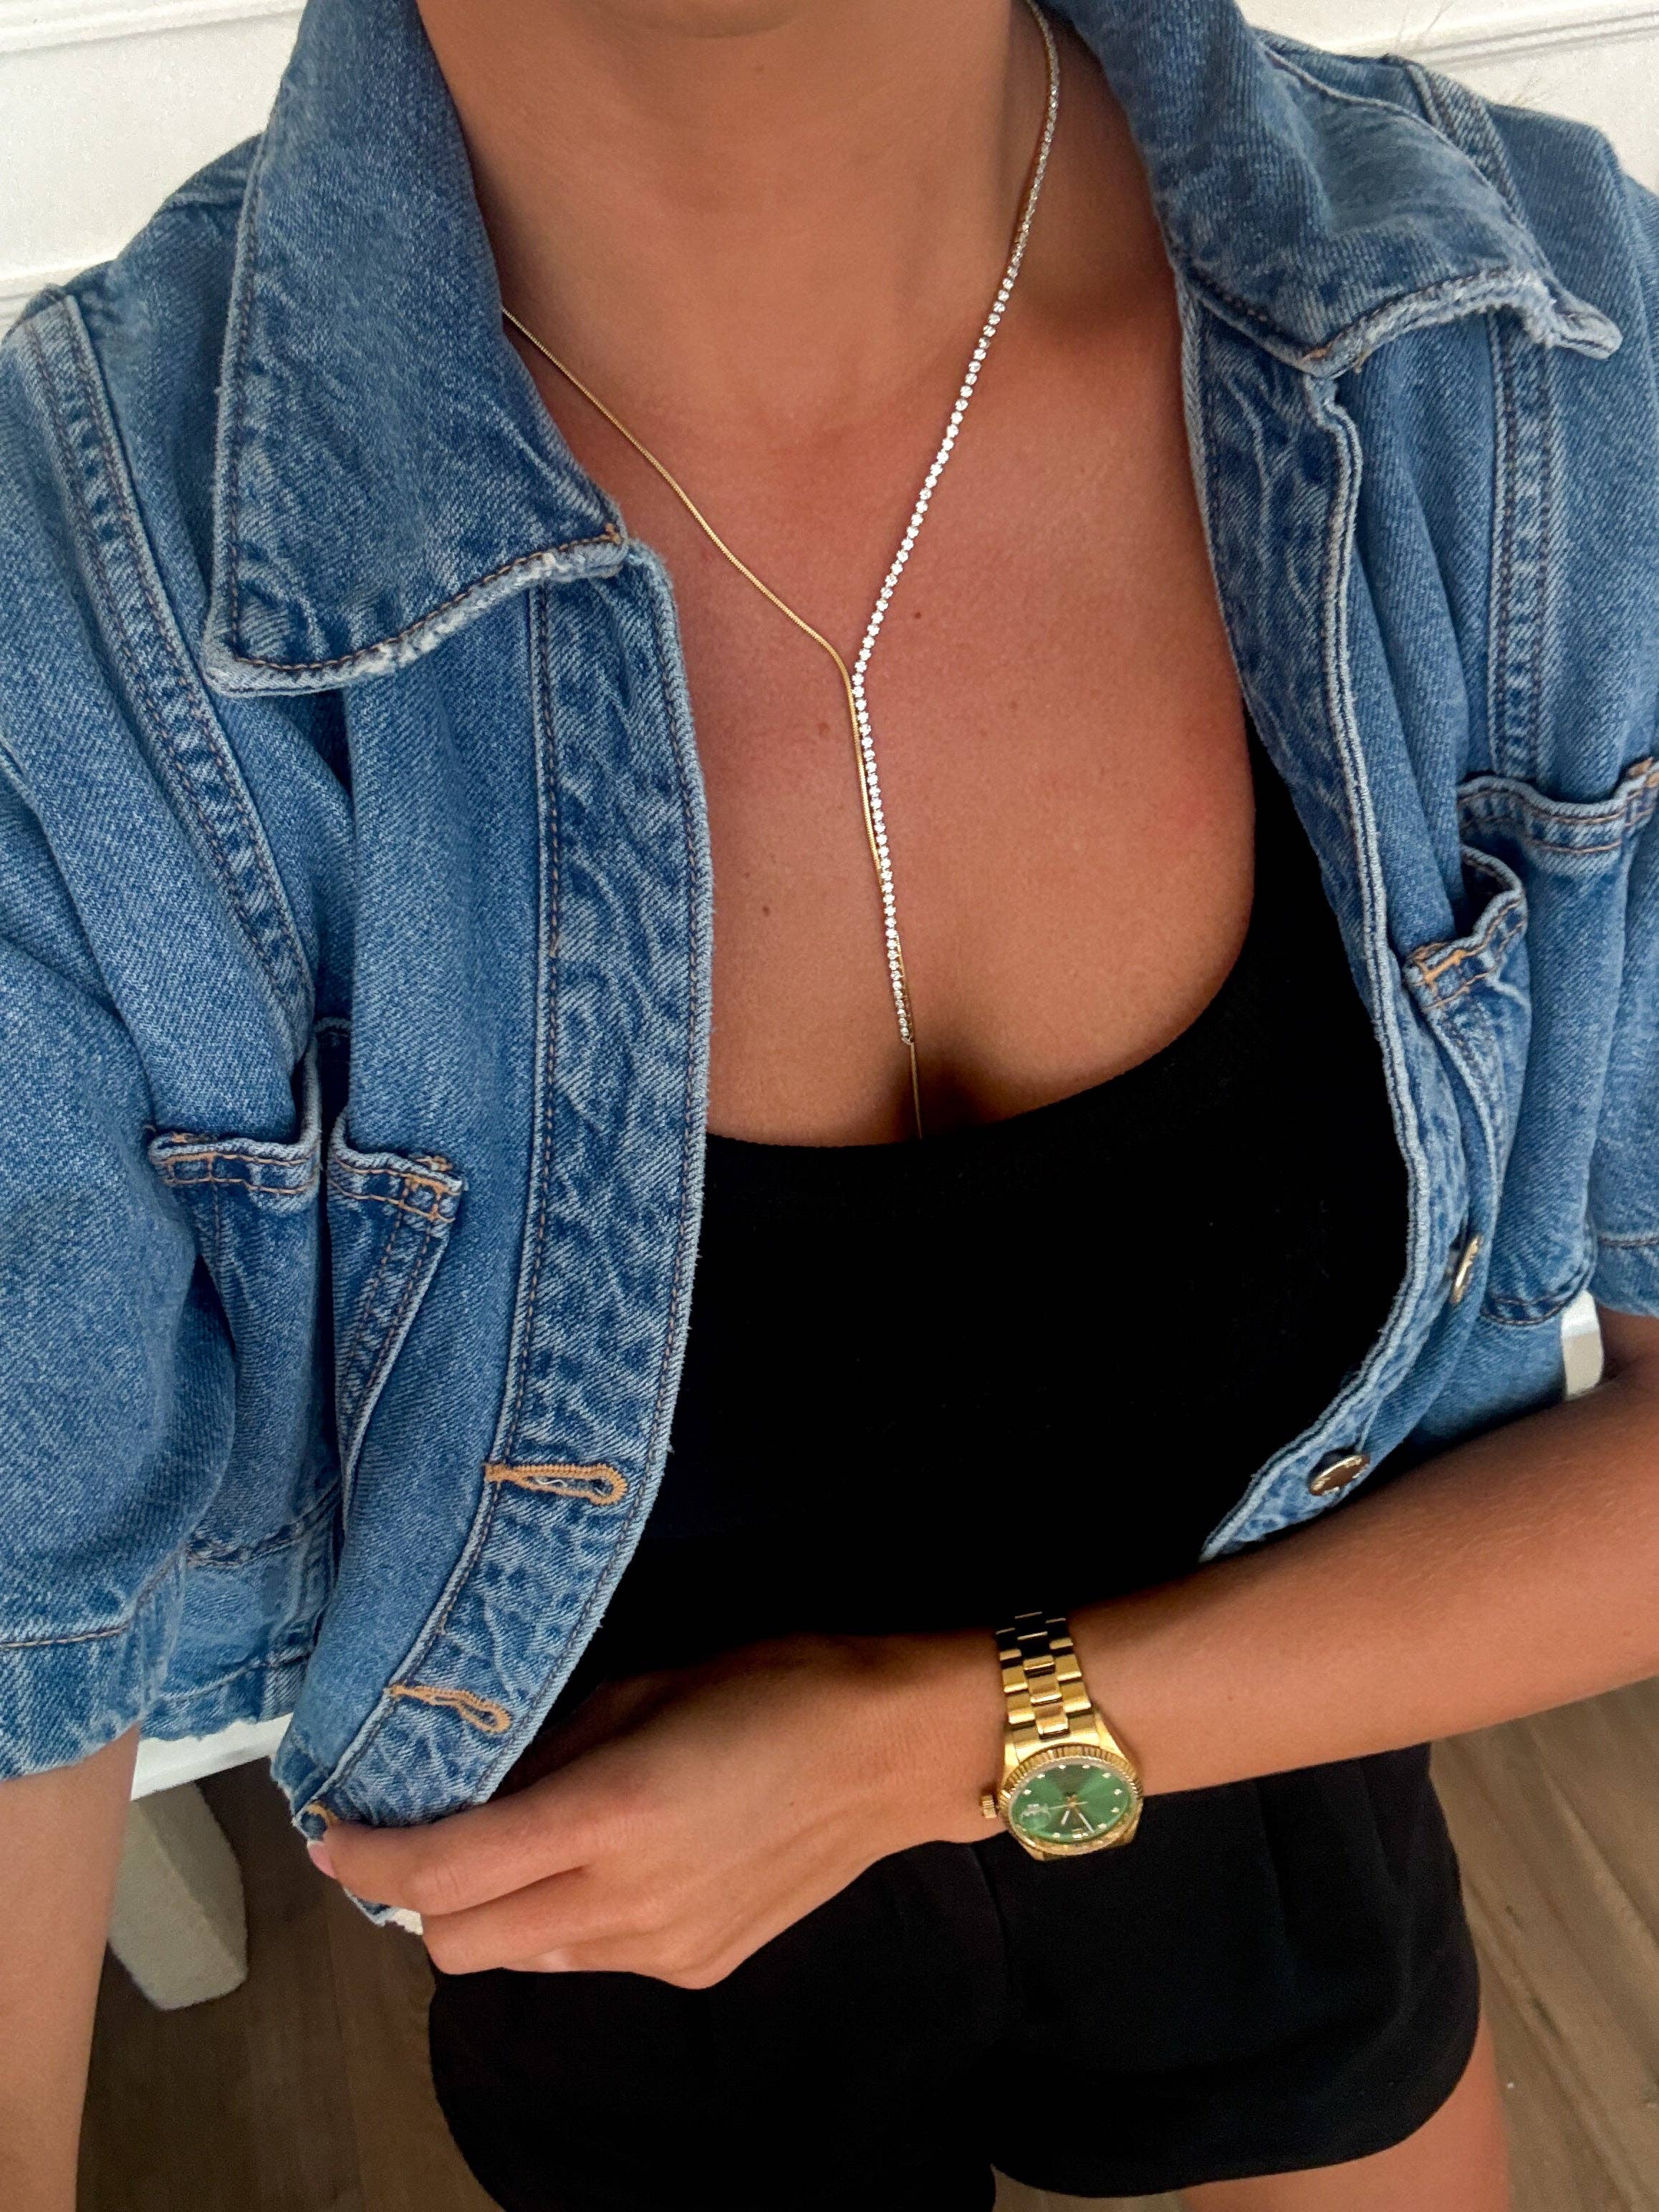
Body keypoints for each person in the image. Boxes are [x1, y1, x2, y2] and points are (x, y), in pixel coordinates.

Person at [2, 0, 1658, 2205]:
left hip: (1267, 1807)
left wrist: (948, 1743)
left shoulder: (1532, 363)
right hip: (626, 1962)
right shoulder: (77, 631)